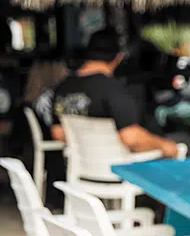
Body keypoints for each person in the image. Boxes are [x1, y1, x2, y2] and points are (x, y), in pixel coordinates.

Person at [49, 28, 182, 158]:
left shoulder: (63, 87)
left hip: (82, 168)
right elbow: (131, 138)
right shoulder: (112, 89)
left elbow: (57, 133)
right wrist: (168, 147)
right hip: (117, 168)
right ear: (118, 58)